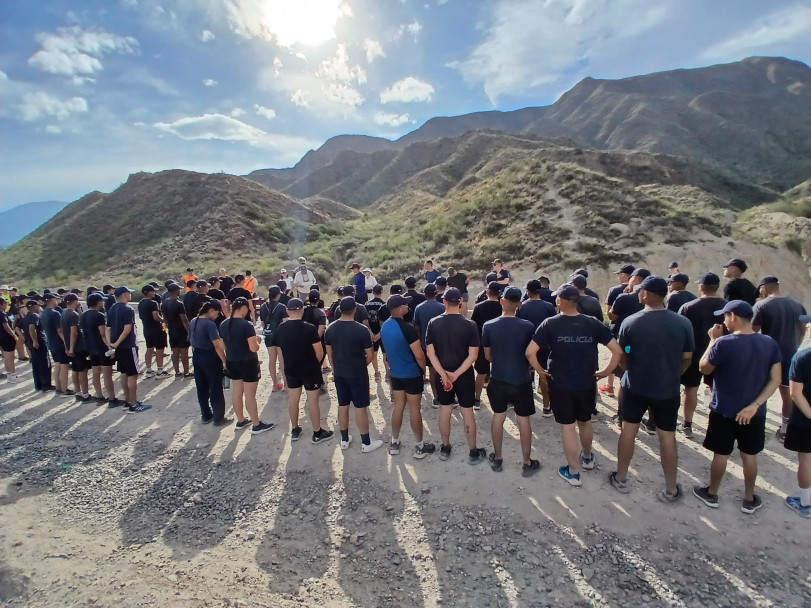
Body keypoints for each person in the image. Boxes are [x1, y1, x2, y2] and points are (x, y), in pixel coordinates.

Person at [528, 284, 622, 486]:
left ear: (561, 301)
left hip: (560, 382)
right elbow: (618, 350)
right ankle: (587, 457)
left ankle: (573, 471)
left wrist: (540, 371)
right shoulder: (592, 323)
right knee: (585, 420)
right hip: (586, 381)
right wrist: (606, 372)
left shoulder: (550, 323)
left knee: (568, 426)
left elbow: (530, 352)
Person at [610, 276, 694, 502]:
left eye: (640, 291)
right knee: (667, 437)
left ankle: (621, 478)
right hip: (667, 388)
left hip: (635, 385)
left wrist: (630, 369)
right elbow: (687, 357)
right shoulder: (682, 323)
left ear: (645, 294)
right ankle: (670, 489)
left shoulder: (631, 322)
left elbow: (624, 353)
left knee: (629, 431)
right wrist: (674, 374)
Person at [693, 300, 781, 514]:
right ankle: (749, 498)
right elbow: (776, 379)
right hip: (754, 413)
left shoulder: (724, 343)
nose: (724, 321)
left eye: (725, 316)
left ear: (733, 316)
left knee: (721, 454)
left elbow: (703, 369)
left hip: (724, 408)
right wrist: (755, 405)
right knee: (749, 455)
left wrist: (712, 341)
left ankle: (712, 493)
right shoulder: (769, 343)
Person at [481, 287, 540, 476]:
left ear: (502, 301)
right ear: (519, 304)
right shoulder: (528, 326)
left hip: (498, 378)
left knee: (499, 416)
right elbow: (531, 354)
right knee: (523, 419)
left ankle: (498, 457)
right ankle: (526, 462)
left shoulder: (489, 326)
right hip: (521, 379)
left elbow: (488, 356)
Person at [425, 288, 486, 464]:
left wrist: (444, 375)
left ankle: (445, 447)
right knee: (467, 412)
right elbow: (473, 355)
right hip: (464, 375)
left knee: (445, 410)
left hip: (442, 374)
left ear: (444, 301)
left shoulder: (433, 323)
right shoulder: (470, 324)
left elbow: (431, 353)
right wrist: (456, 374)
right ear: (460, 302)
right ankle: (473, 452)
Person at [379, 293, 436, 458]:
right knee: (414, 409)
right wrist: (423, 370)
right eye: (405, 305)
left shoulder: (385, 327)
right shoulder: (408, 329)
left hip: (396, 374)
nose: (407, 307)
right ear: (399, 308)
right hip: (411, 374)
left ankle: (394, 442)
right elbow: (419, 355)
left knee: (398, 407)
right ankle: (419, 446)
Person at [324, 297, 383, 453]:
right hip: (357, 372)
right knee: (360, 407)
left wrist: (335, 367)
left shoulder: (330, 328)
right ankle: (366, 442)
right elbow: (370, 355)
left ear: (339, 310)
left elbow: (329, 354)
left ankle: (344, 440)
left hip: (340, 372)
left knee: (342, 405)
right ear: (355, 310)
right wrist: (362, 365)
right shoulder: (361, 330)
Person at [270, 298, 334, 443]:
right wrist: (316, 365)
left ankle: (295, 429)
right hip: (309, 368)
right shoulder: (309, 328)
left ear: (287, 311)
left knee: (293, 399)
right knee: (313, 400)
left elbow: (280, 353)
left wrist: (284, 370)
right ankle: (317, 432)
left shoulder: (280, 328)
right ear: (303, 310)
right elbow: (319, 352)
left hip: (291, 368)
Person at [752, 276, 807, 442]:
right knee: (787, 394)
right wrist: (794, 345)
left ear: (765, 287)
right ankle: (784, 429)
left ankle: (756, 425)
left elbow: (753, 332)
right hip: (790, 354)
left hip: (767, 357)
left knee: (761, 392)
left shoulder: (761, 305)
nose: (759, 292)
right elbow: (803, 329)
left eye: (760, 289)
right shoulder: (798, 305)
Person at [677, 273, 728, 438]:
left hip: (694, 354)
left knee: (690, 389)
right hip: (721, 353)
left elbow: (681, 333)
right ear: (717, 287)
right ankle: (718, 426)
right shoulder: (727, 307)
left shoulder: (688, 307)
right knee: (718, 389)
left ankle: (687, 424)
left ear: (701, 287)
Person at [220, 297, 274, 435]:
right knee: (250, 395)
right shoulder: (246, 325)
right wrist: (258, 340)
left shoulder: (223, 324)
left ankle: (241, 420)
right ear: (243, 308)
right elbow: (254, 348)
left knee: (237, 392)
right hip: (248, 362)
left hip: (232, 360)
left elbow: (222, 345)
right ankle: (256, 424)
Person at [603, 268, 649, 398]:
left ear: (635, 279)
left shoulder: (624, 297)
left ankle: (621, 412)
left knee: (624, 376)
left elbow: (612, 316)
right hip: (646, 341)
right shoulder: (653, 298)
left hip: (626, 342)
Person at [108, 286, 151, 413]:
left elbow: (108, 327)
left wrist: (111, 343)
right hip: (128, 345)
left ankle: (128, 401)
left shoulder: (112, 308)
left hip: (119, 347)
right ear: (124, 294)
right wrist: (116, 343)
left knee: (124, 373)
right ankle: (133, 404)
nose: (130, 295)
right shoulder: (127, 309)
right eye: (128, 293)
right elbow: (127, 330)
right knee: (132, 375)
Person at [519, 279, 559, 415]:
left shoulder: (522, 307)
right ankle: (547, 406)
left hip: (526, 345)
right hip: (545, 345)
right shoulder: (548, 306)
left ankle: (524, 404)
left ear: (528, 291)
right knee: (544, 375)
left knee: (525, 374)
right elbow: (554, 326)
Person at [189, 301, 232, 426]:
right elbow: (217, 345)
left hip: (197, 355)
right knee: (215, 388)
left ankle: (206, 415)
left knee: (201, 387)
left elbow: (191, 340)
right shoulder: (210, 324)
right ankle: (219, 418)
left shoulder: (193, 321)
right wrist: (225, 362)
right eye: (217, 312)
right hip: (210, 356)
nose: (218, 316)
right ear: (211, 310)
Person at [786, 316, 811, 518]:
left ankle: (805, 503)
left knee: (806, 460)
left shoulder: (802, 357)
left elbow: (795, 393)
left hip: (805, 420)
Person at [81, 293, 120, 405]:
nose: (103, 303)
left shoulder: (84, 315)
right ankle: (112, 398)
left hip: (90, 347)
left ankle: (100, 396)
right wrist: (110, 346)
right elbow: (103, 334)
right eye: (102, 301)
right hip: (102, 348)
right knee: (107, 375)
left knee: (95, 373)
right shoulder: (99, 315)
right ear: (97, 302)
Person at [471, 282, 503, 408]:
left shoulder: (479, 306)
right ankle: (500, 399)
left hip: (482, 343)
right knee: (499, 372)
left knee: (480, 372)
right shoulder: (502, 307)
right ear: (499, 293)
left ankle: (477, 399)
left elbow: (473, 325)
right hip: (499, 343)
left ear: (487, 291)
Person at [414, 283, 445, 406]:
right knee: (444, 370)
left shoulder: (419, 308)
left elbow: (417, 327)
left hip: (426, 345)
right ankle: (448, 395)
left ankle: (436, 397)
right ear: (436, 293)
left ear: (424, 294)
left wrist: (421, 342)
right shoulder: (442, 307)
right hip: (442, 345)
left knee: (432, 371)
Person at [61, 293, 91, 401]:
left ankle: (78, 392)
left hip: (70, 346)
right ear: (74, 301)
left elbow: (64, 333)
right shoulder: (74, 315)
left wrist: (67, 347)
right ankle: (85, 394)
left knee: (75, 369)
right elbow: (74, 332)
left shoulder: (63, 313)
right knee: (83, 370)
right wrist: (72, 348)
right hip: (78, 346)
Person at [259, 285, 288, 391]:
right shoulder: (281, 307)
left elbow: (262, 323)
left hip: (268, 335)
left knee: (272, 359)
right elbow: (285, 322)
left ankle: (275, 384)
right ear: (278, 295)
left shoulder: (263, 306)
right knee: (282, 360)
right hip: (279, 335)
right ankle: (286, 383)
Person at [42, 293, 72, 397]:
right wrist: (67, 345)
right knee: (64, 366)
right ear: (51, 299)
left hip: (51, 343)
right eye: (56, 298)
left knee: (58, 364)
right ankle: (64, 389)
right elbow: (60, 331)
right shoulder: (55, 313)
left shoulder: (43, 313)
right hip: (59, 343)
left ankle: (58, 388)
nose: (57, 300)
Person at [138, 285, 169, 378]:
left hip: (147, 328)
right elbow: (156, 316)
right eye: (153, 291)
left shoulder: (141, 303)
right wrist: (164, 321)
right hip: (157, 329)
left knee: (149, 348)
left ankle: (149, 370)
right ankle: (160, 371)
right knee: (160, 349)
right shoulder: (153, 303)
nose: (154, 293)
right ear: (148, 292)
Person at [24, 299, 54, 392]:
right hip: (39, 343)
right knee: (44, 364)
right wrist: (35, 341)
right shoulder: (34, 316)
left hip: (31, 344)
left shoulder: (26, 317)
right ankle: (46, 385)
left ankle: (38, 385)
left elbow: (17, 327)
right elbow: (32, 328)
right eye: (38, 305)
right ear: (34, 306)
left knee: (36, 365)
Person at [163, 283, 192, 378]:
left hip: (172, 329)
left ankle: (177, 372)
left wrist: (168, 327)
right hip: (181, 330)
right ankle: (186, 372)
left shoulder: (165, 303)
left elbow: (164, 318)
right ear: (175, 291)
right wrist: (189, 331)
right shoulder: (179, 304)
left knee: (175, 351)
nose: (180, 291)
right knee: (184, 352)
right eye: (178, 289)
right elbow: (184, 319)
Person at [365, 284, 386, 379]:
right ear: (381, 292)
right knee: (385, 352)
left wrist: (371, 332)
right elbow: (386, 320)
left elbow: (365, 320)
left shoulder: (367, 304)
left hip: (371, 332)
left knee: (374, 352)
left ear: (373, 292)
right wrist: (380, 333)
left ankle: (376, 372)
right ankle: (387, 372)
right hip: (383, 331)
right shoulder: (385, 304)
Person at [0, 299, 22, 382]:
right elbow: (6, 326)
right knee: (10, 356)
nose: (7, 305)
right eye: (5, 304)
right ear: (1, 304)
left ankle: (9, 375)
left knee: (6, 356)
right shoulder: (2, 314)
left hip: (2, 337)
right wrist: (14, 335)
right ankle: (13, 375)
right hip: (7, 337)